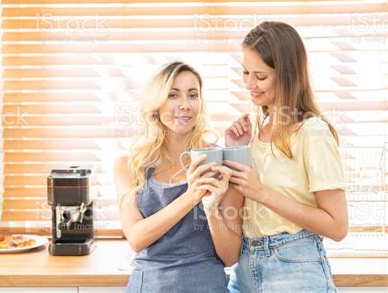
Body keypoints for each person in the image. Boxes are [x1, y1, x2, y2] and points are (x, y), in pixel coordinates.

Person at [223, 21, 348, 292]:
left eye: (260, 76)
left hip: (294, 267)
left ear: (287, 74)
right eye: (245, 73)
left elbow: (337, 226)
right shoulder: (254, 130)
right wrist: (236, 151)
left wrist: (262, 192)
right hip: (244, 267)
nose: (248, 84)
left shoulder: (312, 132)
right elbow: (236, 211)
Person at [114, 62, 243, 293]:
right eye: (173, 95)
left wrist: (211, 208)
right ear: (156, 104)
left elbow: (230, 256)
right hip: (149, 286)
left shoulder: (218, 162)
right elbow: (136, 238)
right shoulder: (129, 166)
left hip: (206, 286)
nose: (185, 105)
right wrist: (192, 196)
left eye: (193, 95)